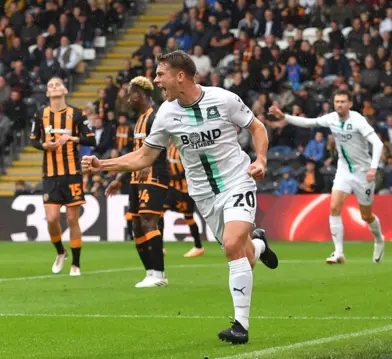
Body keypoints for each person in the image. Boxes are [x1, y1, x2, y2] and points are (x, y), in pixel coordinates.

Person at [82, 50, 277, 345]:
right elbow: (145, 156)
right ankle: (260, 244)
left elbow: (257, 127)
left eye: (161, 74)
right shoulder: (166, 113)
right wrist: (103, 165)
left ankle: (240, 325)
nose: (156, 80)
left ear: (180, 76)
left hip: (238, 181)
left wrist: (260, 159)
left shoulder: (223, 99)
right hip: (203, 195)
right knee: (244, 256)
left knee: (232, 245)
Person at [269, 89, 386, 264]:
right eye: (337, 101)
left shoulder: (358, 120)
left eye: (343, 101)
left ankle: (379, 239)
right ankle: (339, 252)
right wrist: (284, 116)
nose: (339, 104)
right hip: (344, 171)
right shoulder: (331, 118)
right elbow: (308, 122)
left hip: (363, 173)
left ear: (350, 104)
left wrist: (373, 169)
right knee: (334, 207)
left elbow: (378, 143)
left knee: (366, 216)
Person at [105, 76, 169, 288]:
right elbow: (136, 153)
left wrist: (147, 166)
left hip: (154, 175)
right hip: (135, 176)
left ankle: (159, 274)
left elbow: (160, 147)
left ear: (140, 94)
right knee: (137, 226)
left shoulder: (156, 116)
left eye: (130, 93)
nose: (127, 98)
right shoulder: (140, 119)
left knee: (149, 220)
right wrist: (120, 178)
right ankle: (150, 273)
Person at [30, 77, 95, 276]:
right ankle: (61, 251)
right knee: (51, 218)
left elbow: (91, 139)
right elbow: (33, 140)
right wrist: (44, 146)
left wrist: (72, 138)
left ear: (65, 90)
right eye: (50, 85)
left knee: (72, 219)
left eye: (57, 84)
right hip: (50, 175)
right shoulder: (40, 114)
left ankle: (76, 263)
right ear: (48, 93)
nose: (54, 87)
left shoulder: (76, 114)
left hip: (72, 173)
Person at [165, 141, 205, 257]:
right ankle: (159, 247)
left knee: (188, 217)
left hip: (185, 189)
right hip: (172, 188)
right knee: (160, 212)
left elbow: (189, 169)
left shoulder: (186, 148)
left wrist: (173, 177)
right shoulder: (170, 146)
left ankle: (198, 246)